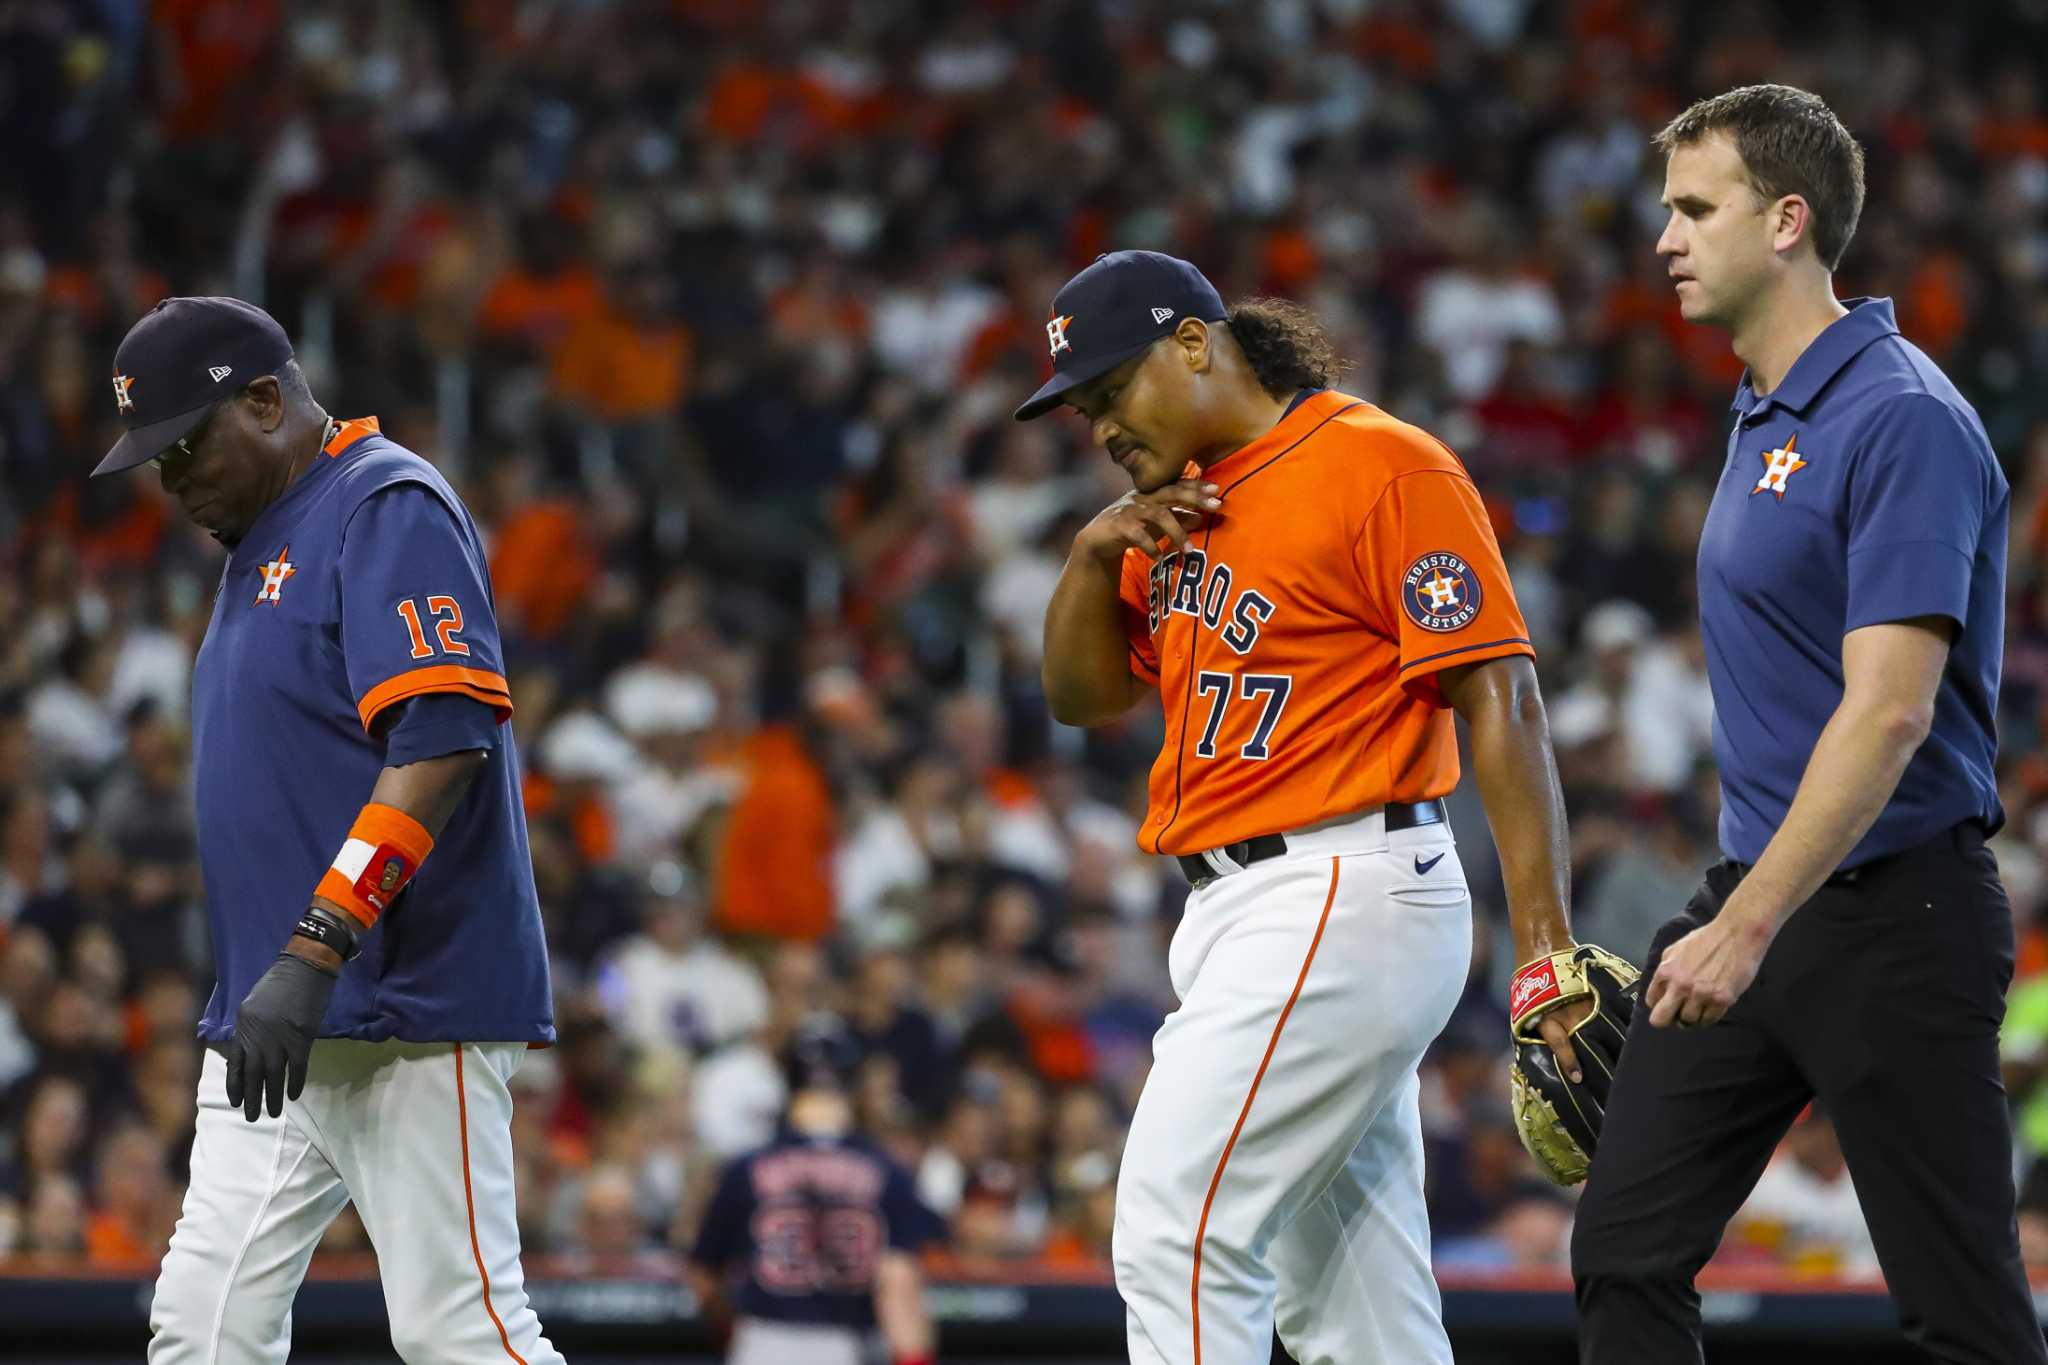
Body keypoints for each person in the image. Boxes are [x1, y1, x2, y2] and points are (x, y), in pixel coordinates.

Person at [1026, 250, 1596, 1364]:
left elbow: (1502, 696)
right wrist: (1093, 557)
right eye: (1084, 409)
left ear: (1194, 343)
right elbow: (1079, 698)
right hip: (1249, 911)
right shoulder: (1168, 509)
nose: (1099, 427)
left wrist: (1545, 949)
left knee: (1174, 1231)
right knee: (1353, 1302)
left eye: (1110, 391)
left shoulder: (1377, 463)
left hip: (1341, 887)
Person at [1571, 84, 2044, 1364]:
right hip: (1761, 898)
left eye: (1691, 208)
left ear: (1785, 221)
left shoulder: (1897, 416)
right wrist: (1737, 912)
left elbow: (1887, 712)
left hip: (1894, 916)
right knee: (1621, 1252)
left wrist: (1743, 922)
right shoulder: (1765, 403)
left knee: (1964, 1318)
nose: (1662, 238)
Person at [94, 297, 562, 1364]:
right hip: (278, 1024)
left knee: (461, 1333)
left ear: (264, 400)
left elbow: (440, 745)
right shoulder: (264, 530)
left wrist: (317, 943)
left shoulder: (382, 504)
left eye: (182, 447)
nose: (170, 483)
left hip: (400, 1002)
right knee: (204, 1329)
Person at [689, 1018, 938, 1365]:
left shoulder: (745, 1169)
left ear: (788, 1083)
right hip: (848, 1344)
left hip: (763, 1342)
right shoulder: (887, 1172)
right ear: (852, 1086)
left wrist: (731, 1330)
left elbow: (704, 1279)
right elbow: (898, 1283)